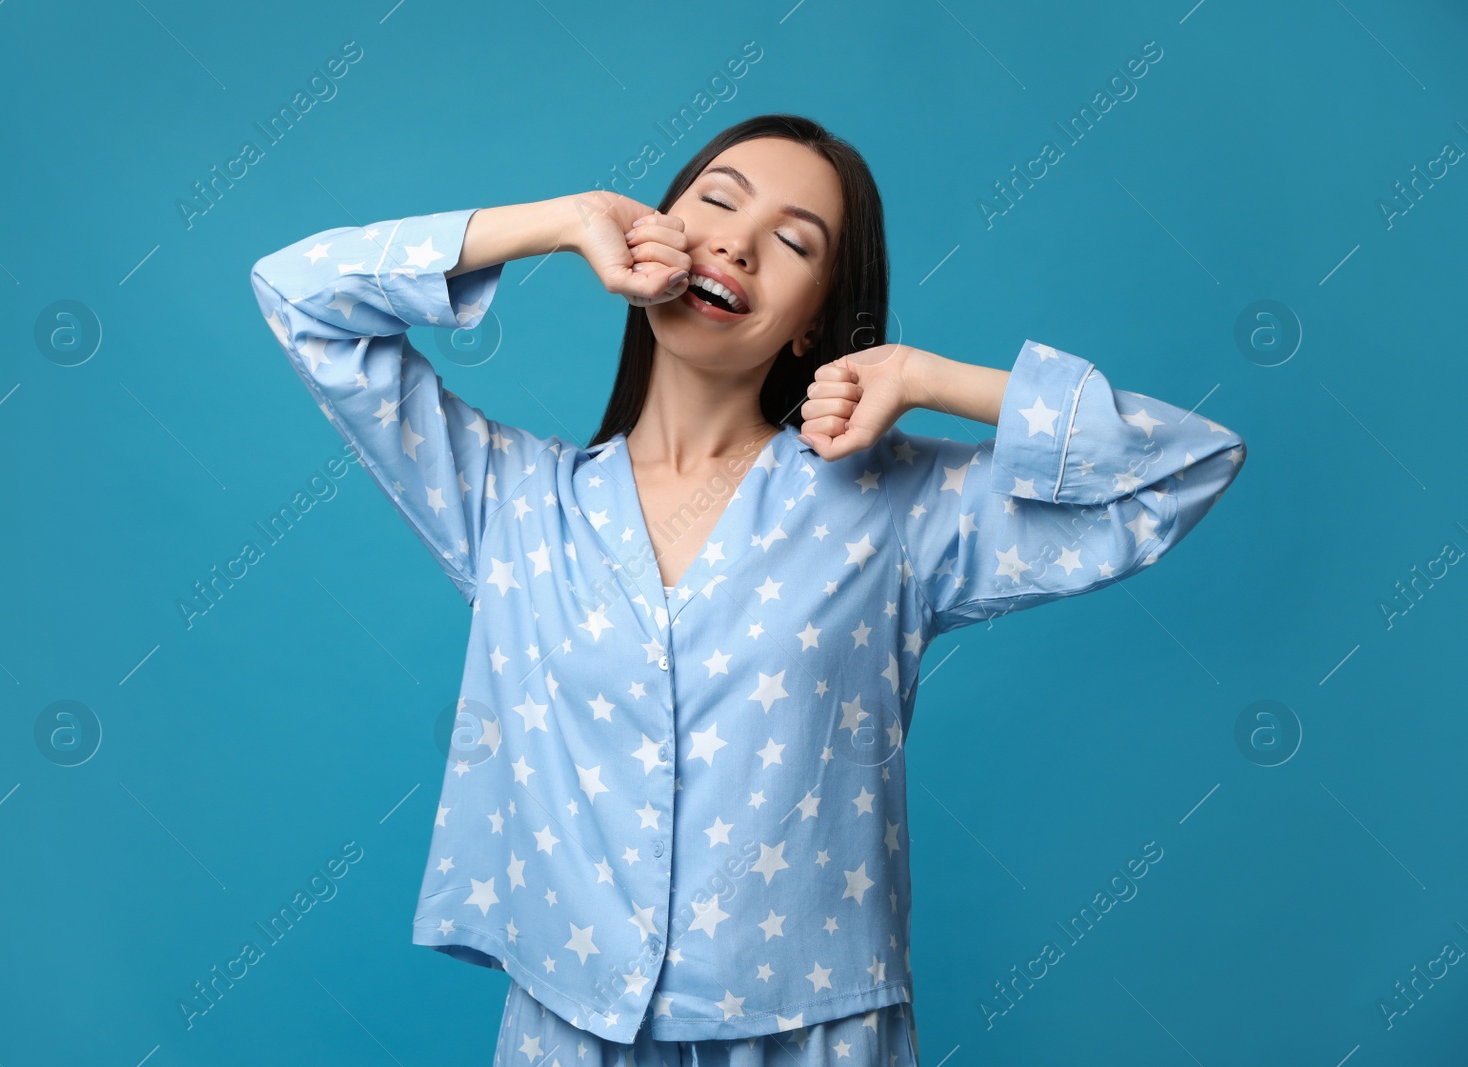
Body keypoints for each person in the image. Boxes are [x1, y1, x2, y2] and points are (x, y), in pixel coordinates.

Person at [249, 113, 1247, 1066]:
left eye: (794, 243)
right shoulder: (511, 504)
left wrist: (927, 375)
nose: (737, 245)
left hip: (810, 1025)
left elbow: (1183, 467)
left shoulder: (898, 508)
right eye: (716, 204)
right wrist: (560, 222)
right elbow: (301, 296)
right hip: (571, 1024)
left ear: (816, 324)